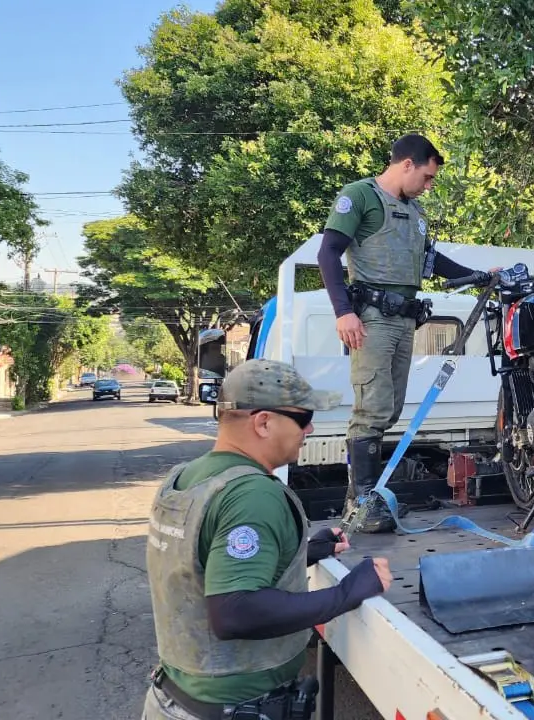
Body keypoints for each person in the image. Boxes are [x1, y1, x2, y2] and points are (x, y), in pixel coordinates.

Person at [143, 359, 393, 720]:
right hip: (229, 708)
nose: (310, 428)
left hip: (176, 697)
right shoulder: (251, 494)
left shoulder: (187, 478)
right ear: (263, 422)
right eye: (303, 417)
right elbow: (235, 612)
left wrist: (300, 552)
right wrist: (347, 592)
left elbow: (201, 565)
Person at [317, 133, 496, 533]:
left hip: (403, 320)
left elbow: (433, 262)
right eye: (428, 177)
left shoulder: (414, 214)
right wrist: (343, 312)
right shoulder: (360, 196)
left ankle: (366, 496)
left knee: (391, 408)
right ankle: (361, 504)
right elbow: (327, 253)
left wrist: (482, 276)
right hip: (371, 319)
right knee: (372, 408)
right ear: (407, 165)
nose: (428, 186)